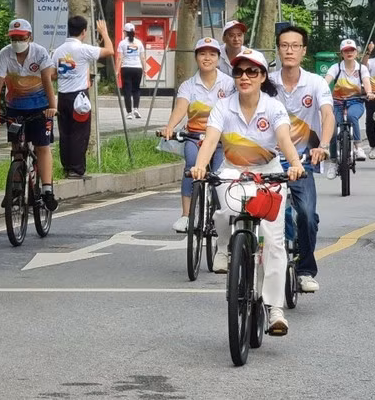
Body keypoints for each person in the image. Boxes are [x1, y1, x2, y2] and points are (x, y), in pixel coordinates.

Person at [190, 48, 304, 335]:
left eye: (252, 71)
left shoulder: (273, 107)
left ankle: (275, 309)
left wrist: (295, 165)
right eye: (239, 71)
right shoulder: (223, 106)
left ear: (263, 76)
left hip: (269, 175)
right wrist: (200, 167)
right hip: (232, 172)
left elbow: (283, 139)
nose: (244, 77)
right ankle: (226, 248)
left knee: (274, 242)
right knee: (224, 211)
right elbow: (210, 141)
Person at [270, 25, 334, 293]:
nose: (290, 50)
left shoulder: (316, 83)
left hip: (303, 160)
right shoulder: (267, 82)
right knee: (267, 214)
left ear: (304, 51)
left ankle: (306, 269)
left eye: (295, 46)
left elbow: (327, 114)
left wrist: (324, 145)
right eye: (285, 45)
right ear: (278, 49)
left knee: (307, 215)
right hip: (269, 160)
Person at [161, 37, 234, 233]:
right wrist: (169, 127)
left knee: (220, 175)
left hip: (221, 139)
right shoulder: (188, 85)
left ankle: (222, 215)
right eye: (202, 54)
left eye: (212, 54)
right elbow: (180, 108)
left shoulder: (229, 84)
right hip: (194, 137)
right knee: (191, 166)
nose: (207, 58)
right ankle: (186, 215)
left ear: (218, 58)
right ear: (196, 58)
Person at [0, 18, 58, 210]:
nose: (17, 41)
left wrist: (52, 107)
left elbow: (47, 80)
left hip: (40, 108)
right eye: (13, 38)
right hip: (15, 107)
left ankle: (47, 189)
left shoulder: (39, 53)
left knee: (42, 146)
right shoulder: (4, 54)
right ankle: (15, 188)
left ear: (29, 37)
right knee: (17, 149)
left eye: (21, 37)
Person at [51, 16, 114, 178]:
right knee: (80, 133)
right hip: (79, 98)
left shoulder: (58, 51)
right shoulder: (84, 49)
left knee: (65, 133)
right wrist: (104, 33)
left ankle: (66, 168)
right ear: (84, 31)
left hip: (63, 98)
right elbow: (109, 50)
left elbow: (52, 75)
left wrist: (67, 73)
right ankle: (77, 169)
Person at [324, 39, 374, 171]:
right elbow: (326, 81)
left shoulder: (362, 69)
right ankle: (334, 162)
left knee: (352, 116)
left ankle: (358, 147)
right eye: (346, 51)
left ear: (356, 53)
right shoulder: (335, 68)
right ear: (342, 54)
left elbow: (366, 82)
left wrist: (369, 93)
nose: (349, 53)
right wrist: (321, 92)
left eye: (352, 50)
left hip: (356, 101)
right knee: (334, 128)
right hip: (337, 102)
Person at [115, 23, 146, 120]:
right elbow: (143, 57)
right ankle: (136, 108)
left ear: (125, 32)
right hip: (138, 68)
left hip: (126, 68)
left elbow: (119, 58)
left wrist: (116, 71)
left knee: (127, 90)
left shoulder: (122, 43)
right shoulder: (139, 43)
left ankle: (129, 113)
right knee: (136, 89)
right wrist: (144, 69)